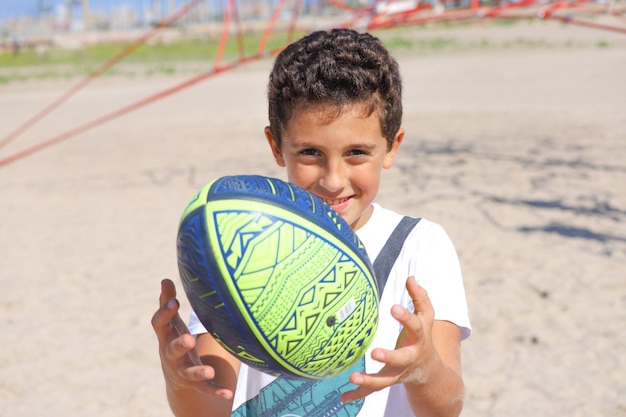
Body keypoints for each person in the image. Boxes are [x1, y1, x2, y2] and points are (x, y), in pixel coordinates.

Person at [152, 28, 471, 417]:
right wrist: (181, 380)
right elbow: (207, 407)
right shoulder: (237, 242)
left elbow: (447, 407)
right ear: (276, 146)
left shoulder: (420, 246)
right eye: (310, 153)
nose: (333, 180)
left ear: (391, 146)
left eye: (356, 152)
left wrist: (424, 370)